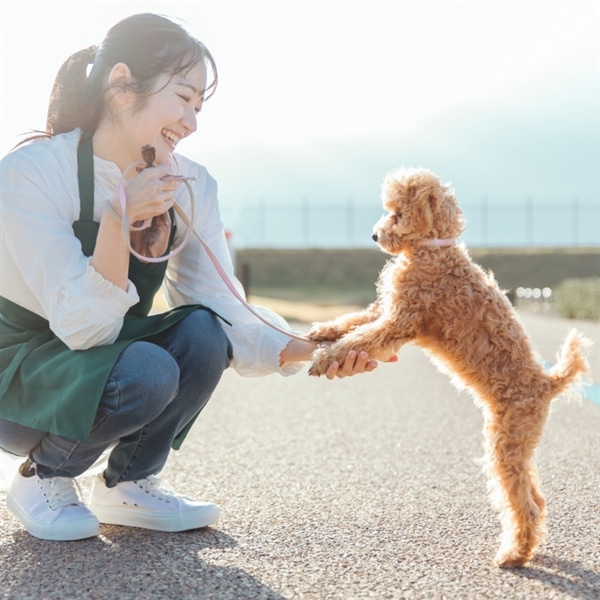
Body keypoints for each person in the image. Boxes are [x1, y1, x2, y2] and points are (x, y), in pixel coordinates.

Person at [0, 13, 385, 542]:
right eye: (183, 98)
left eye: (199, 106)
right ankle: (43, 476)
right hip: (19, 373)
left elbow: (225, 306)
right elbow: (80, 327)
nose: (192, 121)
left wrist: (313, 347)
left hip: (98, 355)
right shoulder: (30, 175)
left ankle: (128, 482)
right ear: (120, 84)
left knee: (202, 332)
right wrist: (117, 218)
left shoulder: (190, 186)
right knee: (148, 370)